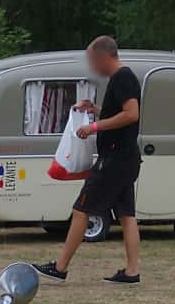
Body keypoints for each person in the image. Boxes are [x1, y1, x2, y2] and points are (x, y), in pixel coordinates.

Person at [35, 36, 143, 285]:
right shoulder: (120, 79)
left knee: (81, 209)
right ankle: (131, 272)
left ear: (104, 56)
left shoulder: (123, 77)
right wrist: (95, 110)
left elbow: (131, 114)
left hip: (114, 159)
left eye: (93, 60)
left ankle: (60, 268)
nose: (92, 67)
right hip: (126, 159)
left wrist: (93, 126)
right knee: (127, 215)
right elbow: (119, 113)